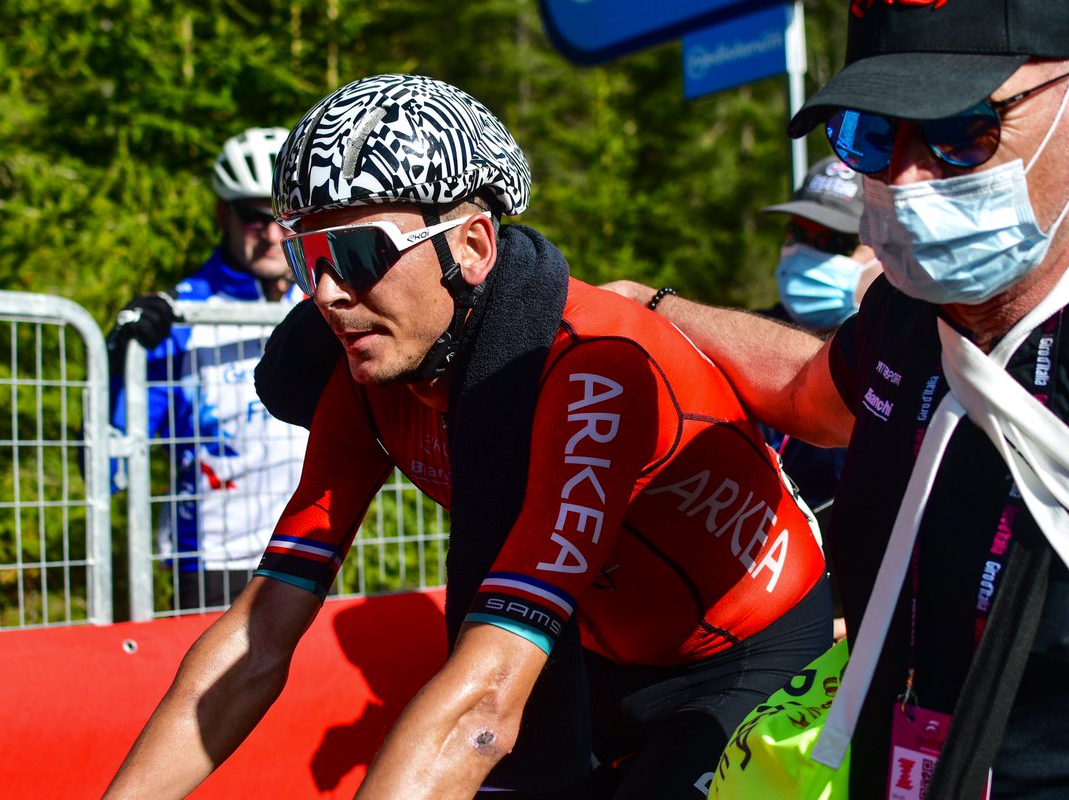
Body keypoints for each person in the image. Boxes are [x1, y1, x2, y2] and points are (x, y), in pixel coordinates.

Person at [104, 74, 832, 799]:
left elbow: (483, 707)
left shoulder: (594, 371)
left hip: (747, 654)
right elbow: (258, 638)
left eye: (357, 254)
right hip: (602, 653)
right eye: (307, 258)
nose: (325, 293)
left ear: (474, 247)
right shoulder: (370, 374)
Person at [612, 2, 1069, 798]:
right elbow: (809, 391)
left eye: (963, 130)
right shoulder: (906, 312)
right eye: (869, 133)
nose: (905, 176)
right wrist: (648, 306)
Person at [106, 127, 308, 611]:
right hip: (214, 557)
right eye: (255, 217)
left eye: (287, 217)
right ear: (223, 214)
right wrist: (120, 360)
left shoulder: (324, 301)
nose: (273, 235)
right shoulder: (182, 315)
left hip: (312, 548)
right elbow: (109, 464)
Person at [757, 155, 880, 518]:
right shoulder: (740, 337)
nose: (805, 252)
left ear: (888, 249)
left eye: (835, 242)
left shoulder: (903, 365)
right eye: (798, 233)